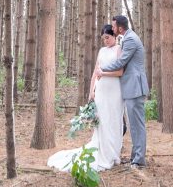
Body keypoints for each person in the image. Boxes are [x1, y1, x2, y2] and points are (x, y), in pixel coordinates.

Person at [47, 25, 125, 172]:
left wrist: (105, 74)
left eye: (107, 38)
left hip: (115, 92)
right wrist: (91, 92)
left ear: (114, 36)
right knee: (102, 122)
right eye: (103, 39)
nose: (105, 41)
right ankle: (104, 153)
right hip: (101, 91)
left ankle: (114, 154)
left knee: (114, 121)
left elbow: (120, 72)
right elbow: (96, 73)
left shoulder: (119, 49)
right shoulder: (102, 51)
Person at [98, 14, 148, 167]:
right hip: (131, 87)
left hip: (135, 87)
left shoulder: (131, 39)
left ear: (120, 28)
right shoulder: (127, 38)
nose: (112, 29)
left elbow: (121, 62)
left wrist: (103, 68)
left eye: (113, 26)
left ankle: (139, 161)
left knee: (137, 125)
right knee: (134, 125)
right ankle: (135, 157)